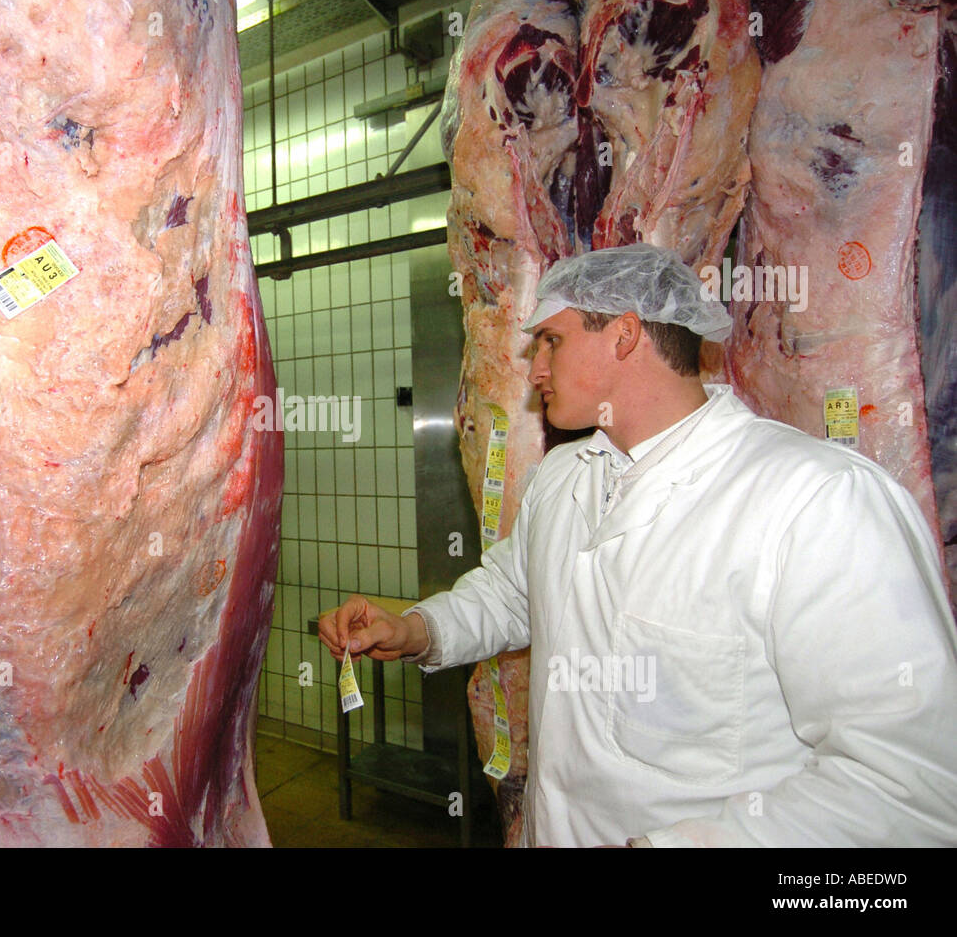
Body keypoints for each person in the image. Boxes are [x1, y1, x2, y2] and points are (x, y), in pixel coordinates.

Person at [319, 244, 957, 847]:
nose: (534, 367)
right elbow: (511, 595)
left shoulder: (818, 502)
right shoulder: (562, 478)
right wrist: (417, 629)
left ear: (625, 335)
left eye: (551, 340)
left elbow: (910, 787)